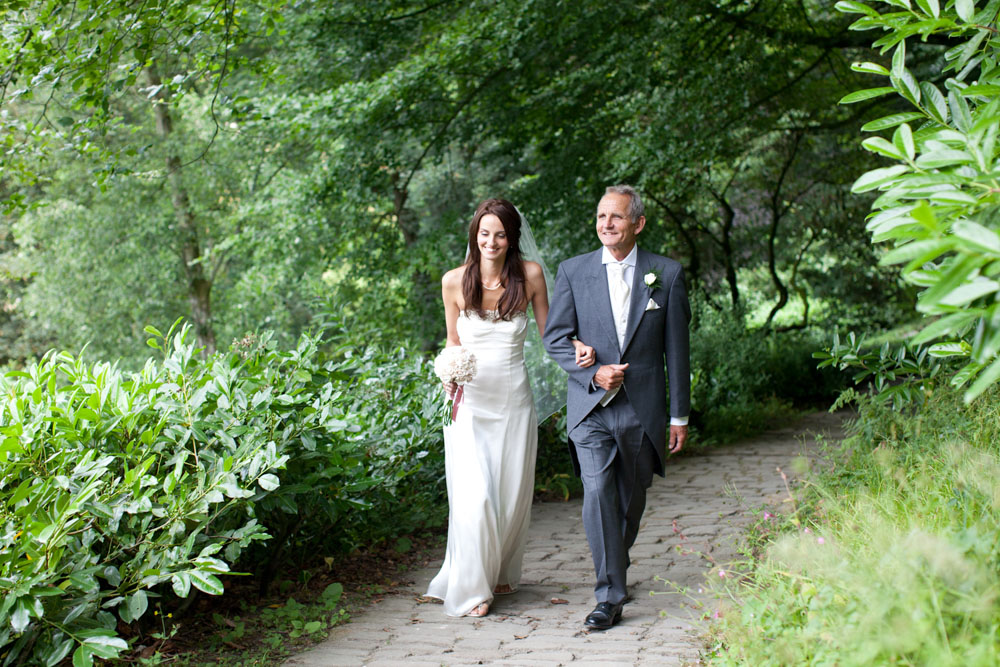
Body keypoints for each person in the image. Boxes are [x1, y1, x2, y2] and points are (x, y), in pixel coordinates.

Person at [426, 198, 594, 617]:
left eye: (500, 234)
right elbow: (452, 340)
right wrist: (447, 370)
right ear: (474, 235)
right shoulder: (452, 282)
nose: (491, 241)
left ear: (512, 238)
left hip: (513, 400)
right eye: (484, 233)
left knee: (509, 490)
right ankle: (472, 588)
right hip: (468, 402)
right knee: (474, 495)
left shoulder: (531, 276)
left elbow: (551, 333)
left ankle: (500, 570)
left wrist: (579, 350)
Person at [542, 185, 691, 630]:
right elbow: (555, 338)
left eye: (617, 217)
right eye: (601, 216)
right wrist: (590, 371)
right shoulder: (573, 271)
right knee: (598, 490)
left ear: (638, 224)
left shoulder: (666, 274)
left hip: (642, 408)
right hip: (590, 409)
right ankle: (609, 595)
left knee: (632, 496)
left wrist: (679, 414)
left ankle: (615, 563)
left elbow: (677, 351)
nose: (606, 224)